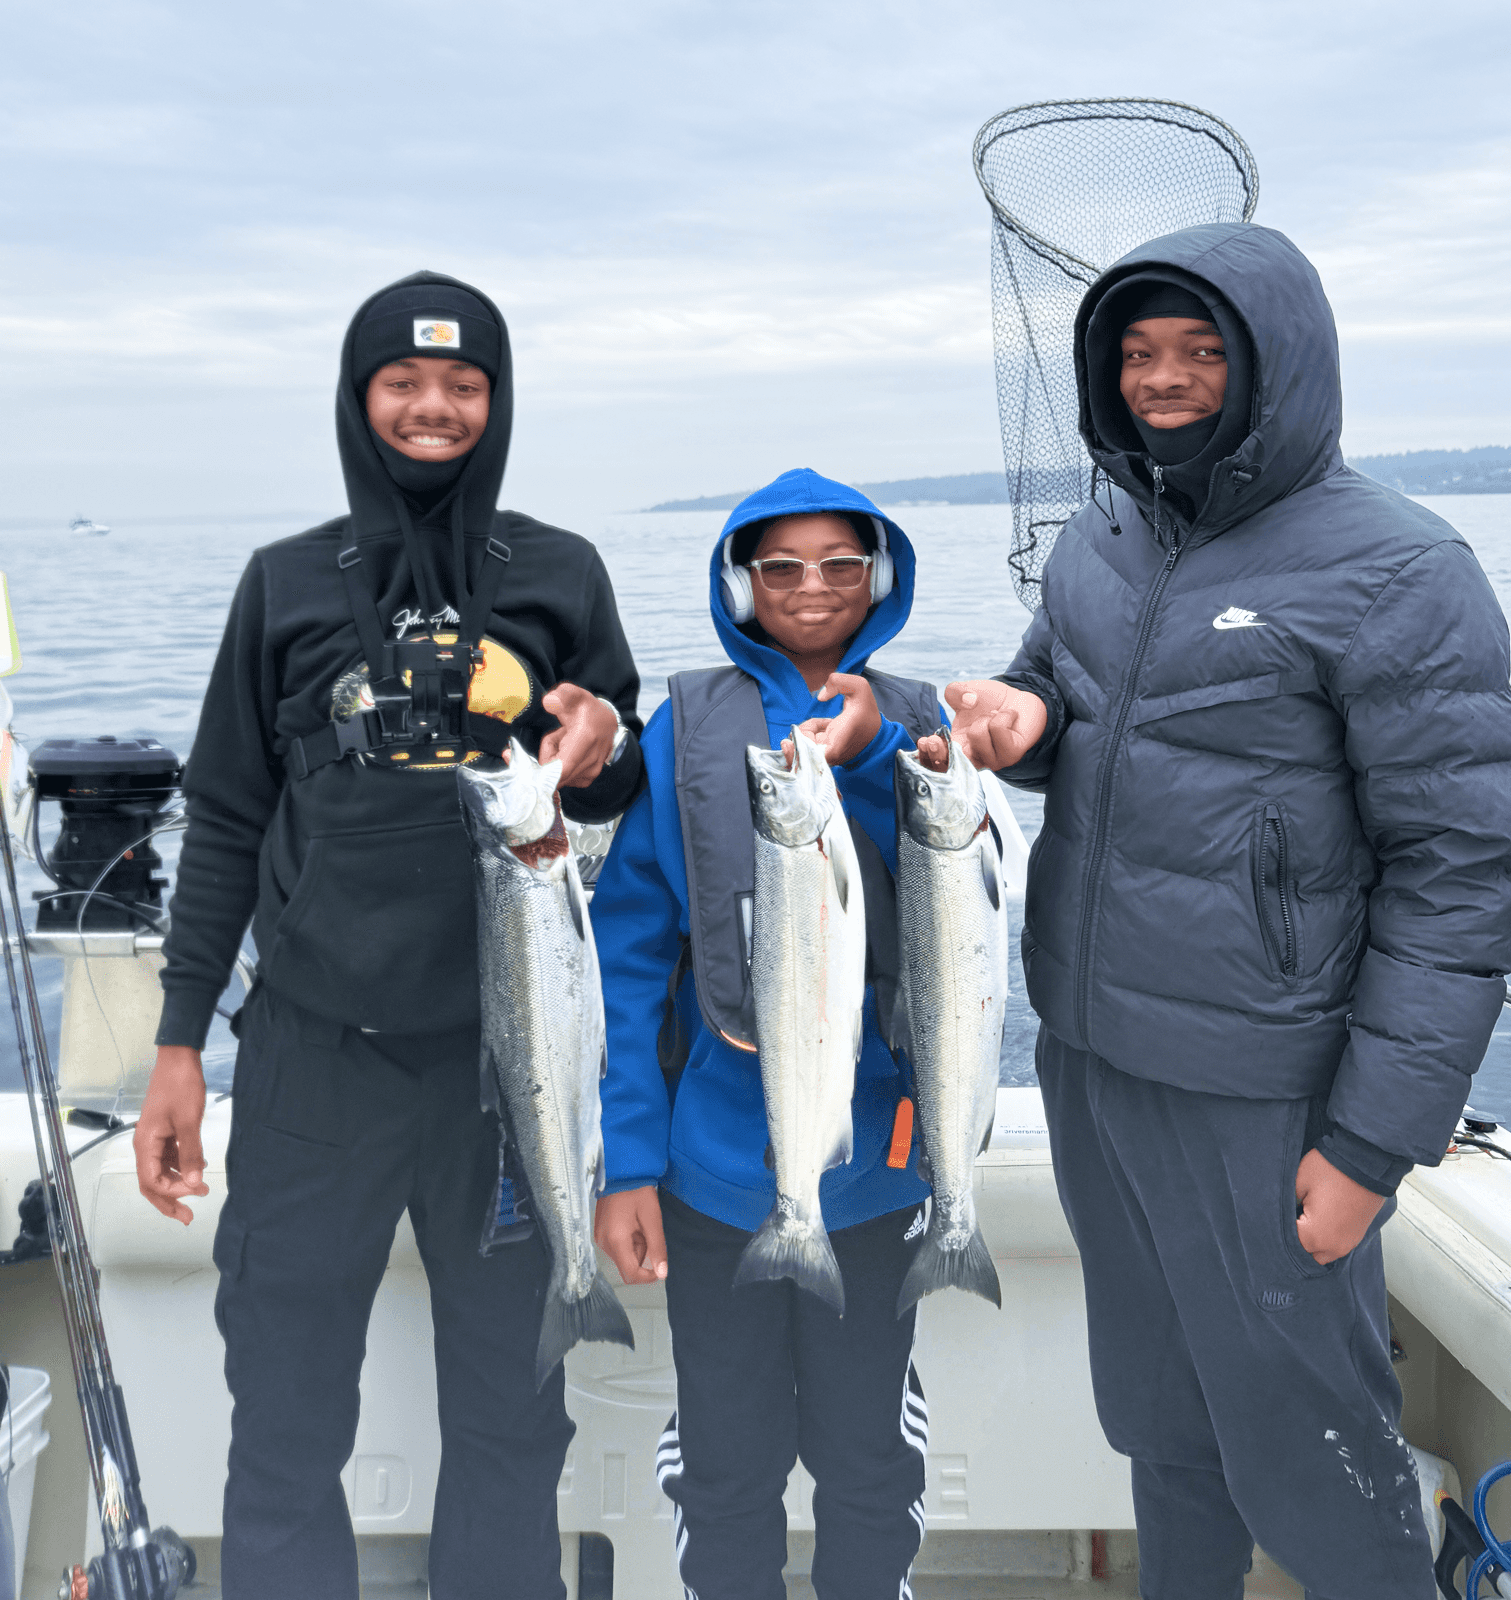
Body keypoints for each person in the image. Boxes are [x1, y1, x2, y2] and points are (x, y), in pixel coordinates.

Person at [936, 225, 1511, 1600]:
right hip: (1093, 1061)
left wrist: (1373, 1139)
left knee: (1310, 1451)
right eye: (1137, 352)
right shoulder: (1104, 529)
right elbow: (1058, 694)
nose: (1164, 377)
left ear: (1277, 366)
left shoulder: (1399, 569)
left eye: (1202, 349)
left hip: (1260, 1094)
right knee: (1158, 1419)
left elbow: (1456, 871)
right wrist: (1015, 725)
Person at [132, 272, 645, 1600]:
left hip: (508, 1070)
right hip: (315, 1064)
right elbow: (230, 818)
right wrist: (179, 1042)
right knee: (289, 1421)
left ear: (498, 397)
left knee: (510, 1421)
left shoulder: (560, 571)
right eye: (402, 382)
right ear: (359, 398)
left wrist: (598, 748)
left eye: (463, 382)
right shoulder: (286, 581)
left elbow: (618, 768)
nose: (433, 406)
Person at [590, 468, 955, 1600]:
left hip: (877, 1176)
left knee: (866, 1459)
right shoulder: (686, 721)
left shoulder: (921, 720)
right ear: (741, 582)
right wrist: (630, 1162)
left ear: (878, 578)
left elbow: (965, 927)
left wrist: (885, 751)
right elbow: (630, 954)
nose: (812, 588)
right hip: (710, 1178)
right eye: (782, 566)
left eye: (842, 565)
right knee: (724, 1460)